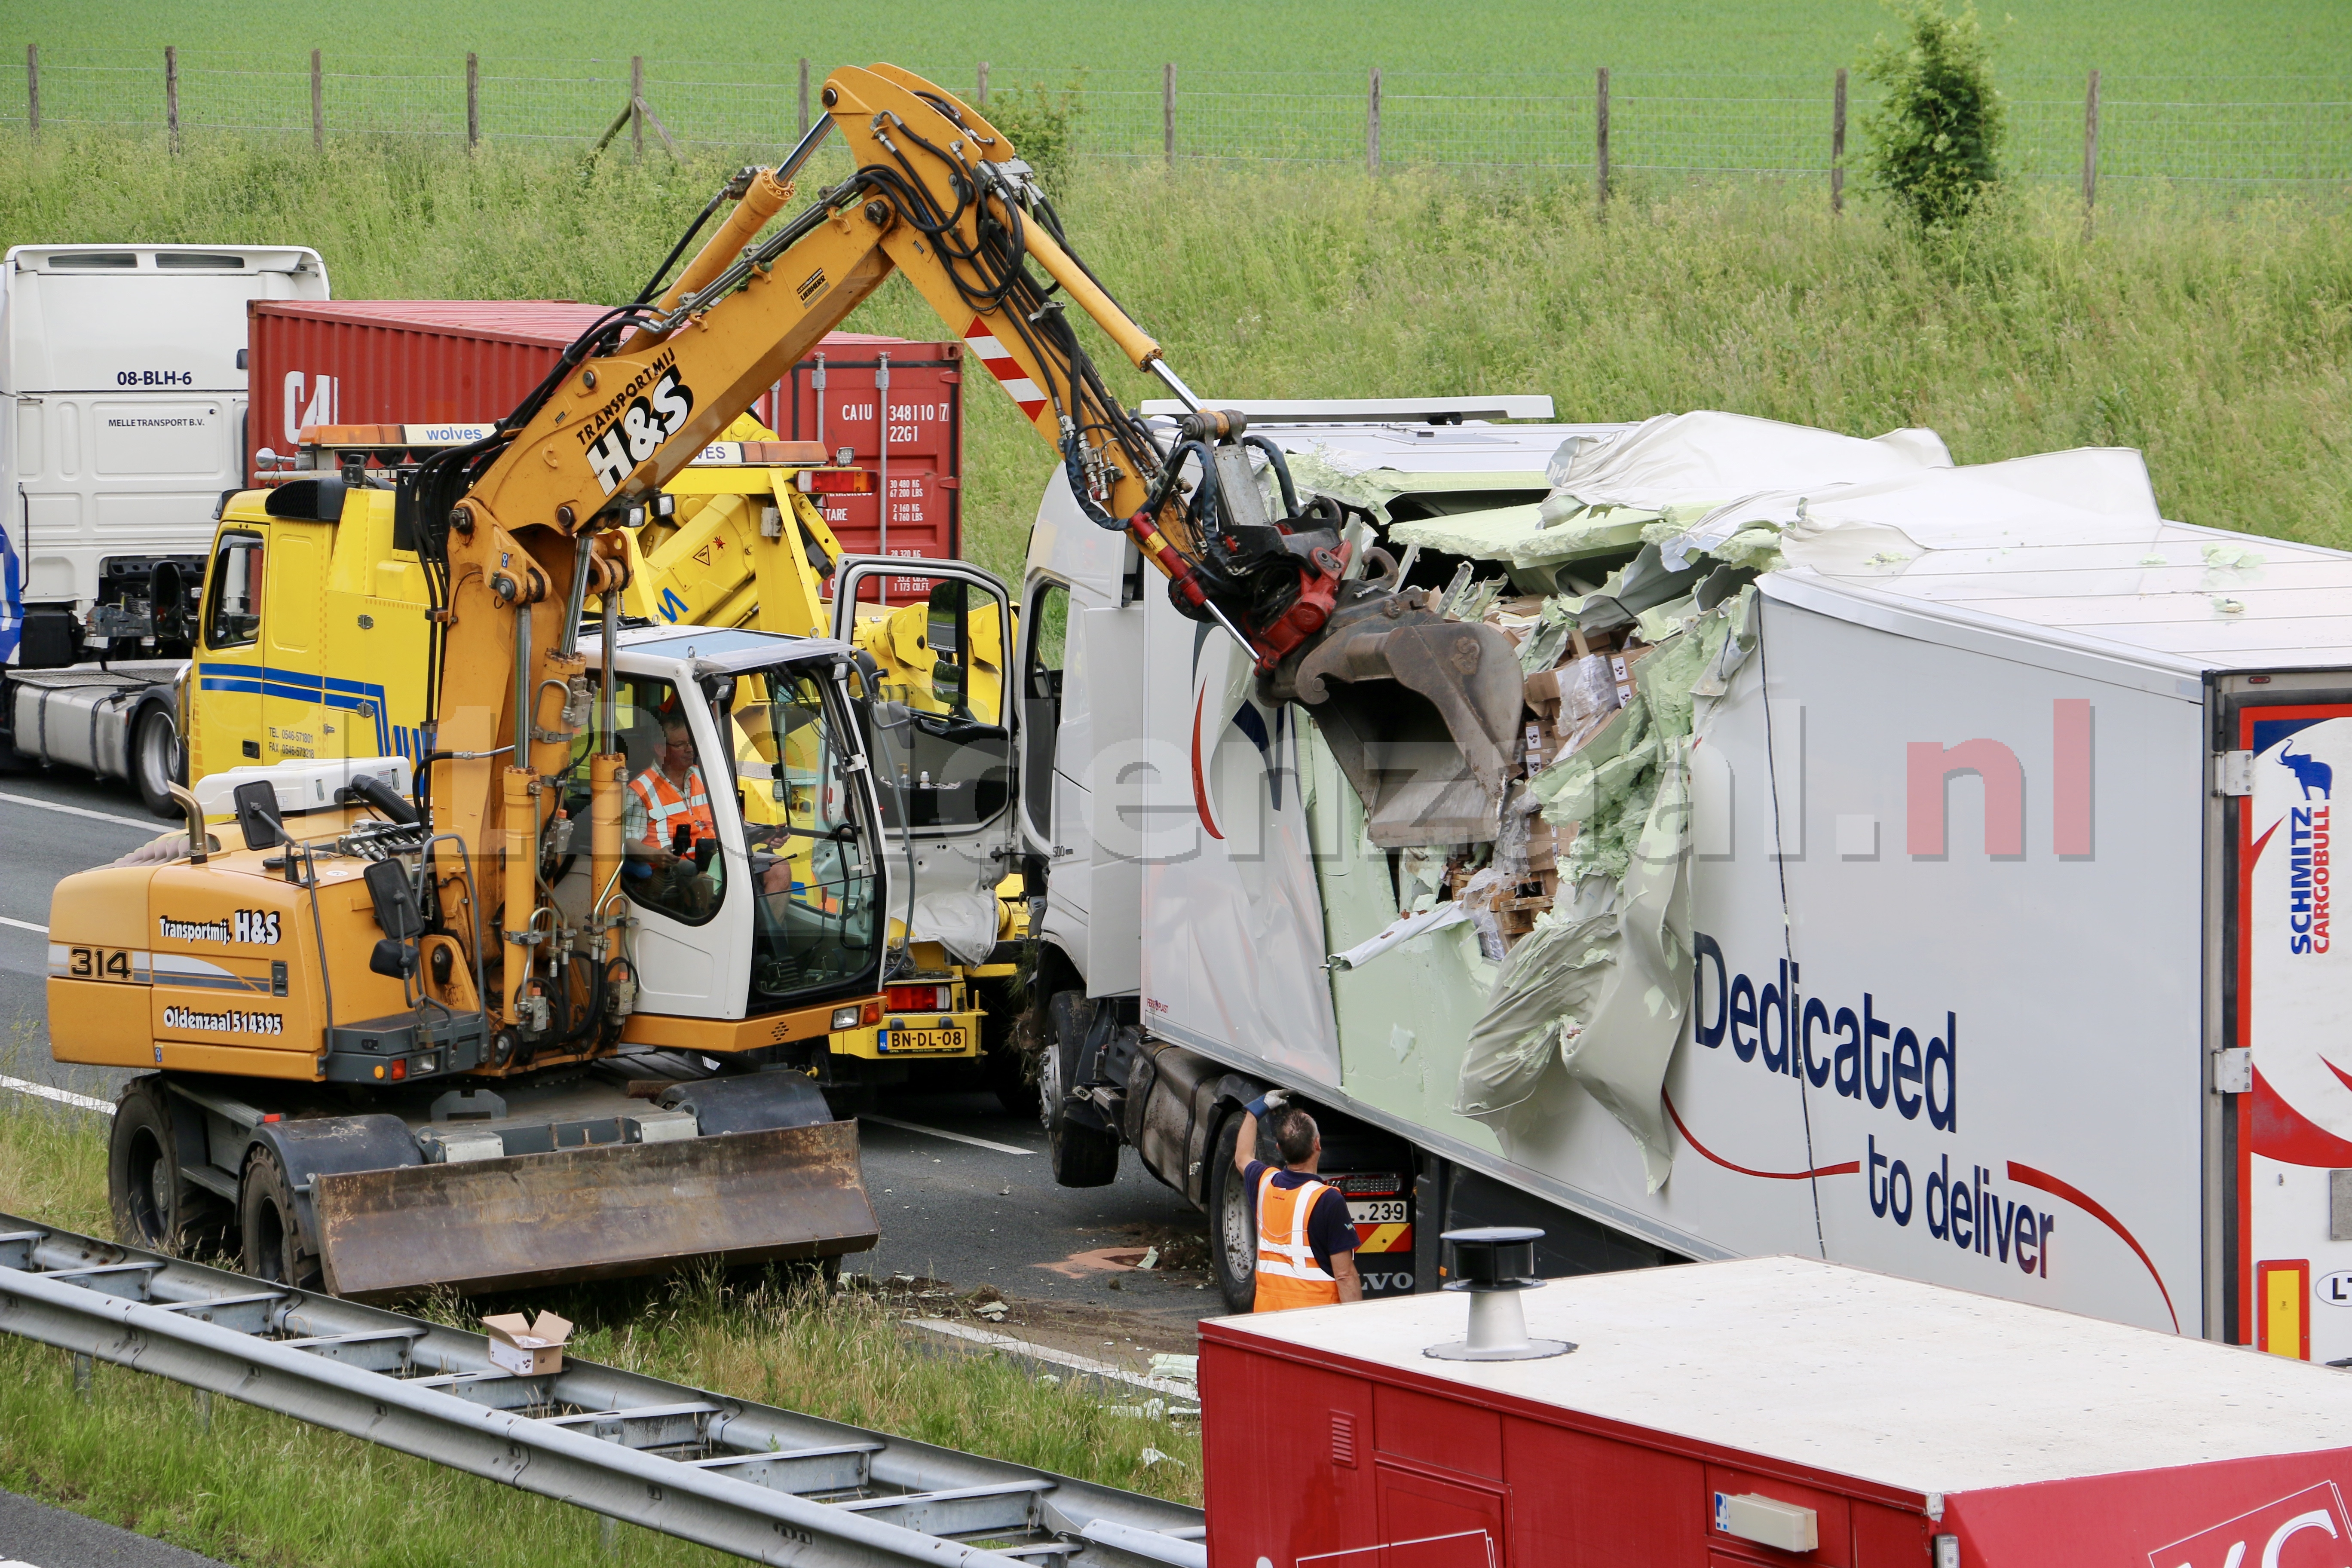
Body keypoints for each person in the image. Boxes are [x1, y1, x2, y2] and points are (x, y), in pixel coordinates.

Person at [1232, 1090, 1361, 1311]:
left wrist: (1255, 1110)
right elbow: (1345, 1275)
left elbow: (1242, 1157)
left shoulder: (1264, 1183)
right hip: (1314, 1322)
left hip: (1267, 1318)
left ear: (1279, 1149)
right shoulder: (1327, 1199)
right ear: (1317, 1144)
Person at [626, 712, 719, 913]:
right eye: (681, 745)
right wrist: (657, 855)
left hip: (716, 859)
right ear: (660, 749)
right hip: (673, 870)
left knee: (777, 869)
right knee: (711, 883)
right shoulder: (640, 789)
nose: (690, 749)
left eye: (691, 743)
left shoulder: (704, 776)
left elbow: (726, 822)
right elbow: (629, 842)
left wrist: (762, 831)